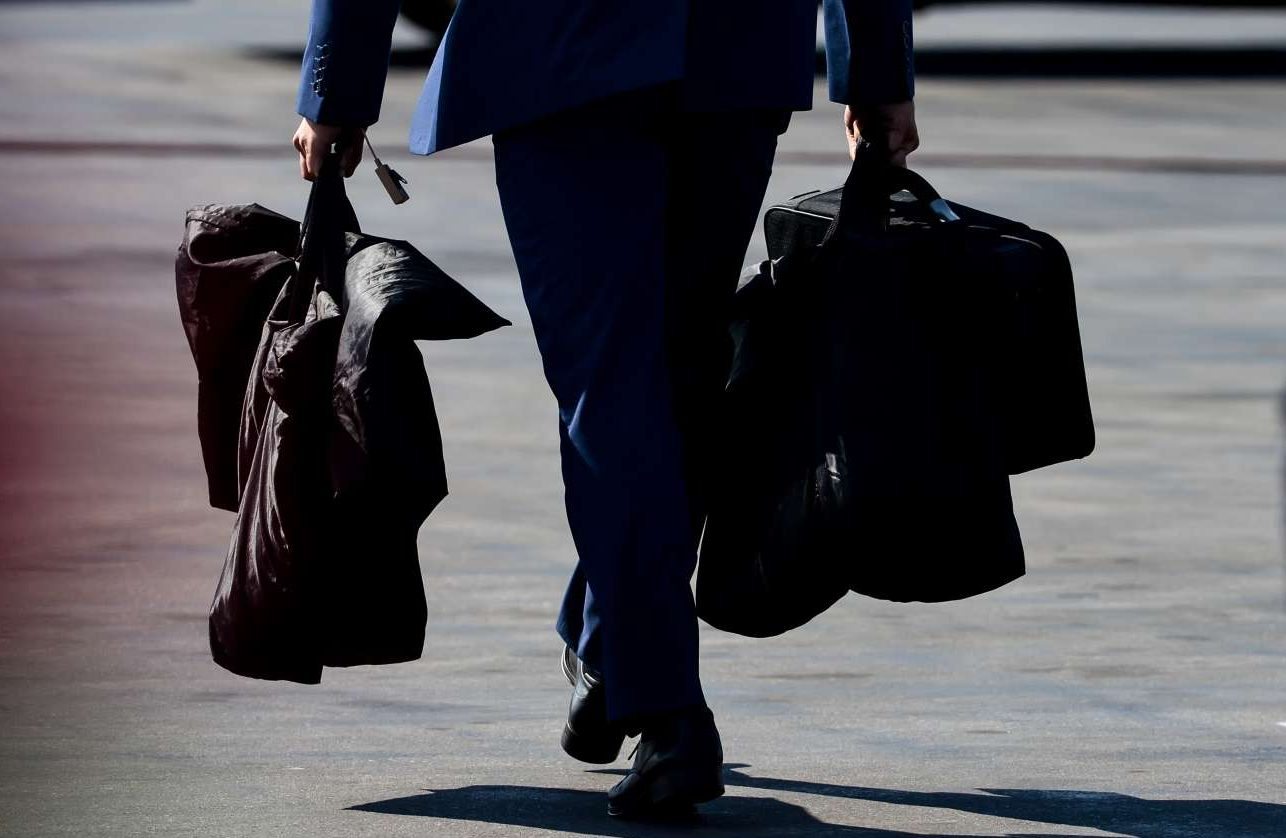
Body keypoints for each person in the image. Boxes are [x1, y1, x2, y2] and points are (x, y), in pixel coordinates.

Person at [292, 0, 919, 819]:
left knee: (618, 382)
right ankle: (609, 644)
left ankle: (664, 705)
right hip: (731, 50)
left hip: (563, 50)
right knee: (676, 377)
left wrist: (338, 84)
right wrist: (876, 68)